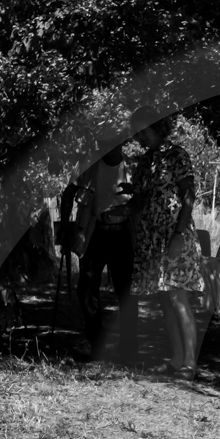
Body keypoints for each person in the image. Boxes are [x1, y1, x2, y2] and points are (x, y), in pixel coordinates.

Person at [126, 108, 203, 377]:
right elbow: (139, 201)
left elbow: (189, 196)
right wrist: (120, 211)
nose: (139, 137)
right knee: (165, 300)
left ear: (157, 127)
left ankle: (190, 363)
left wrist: (179, 236)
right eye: (136, 133)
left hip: (176, 236)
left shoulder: (176, 155)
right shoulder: (146, 163)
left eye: (143, 131)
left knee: (178, 298)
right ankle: (176, 358)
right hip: (153, 239)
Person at [59, 140, 134, 359]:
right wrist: (65, 227)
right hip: (94, 233)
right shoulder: (86, 165)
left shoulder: (132, 167)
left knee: (126, 291)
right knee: (86, 287)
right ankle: (95, 341)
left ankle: (128, 346)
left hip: (122, 234)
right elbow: (68, 194)